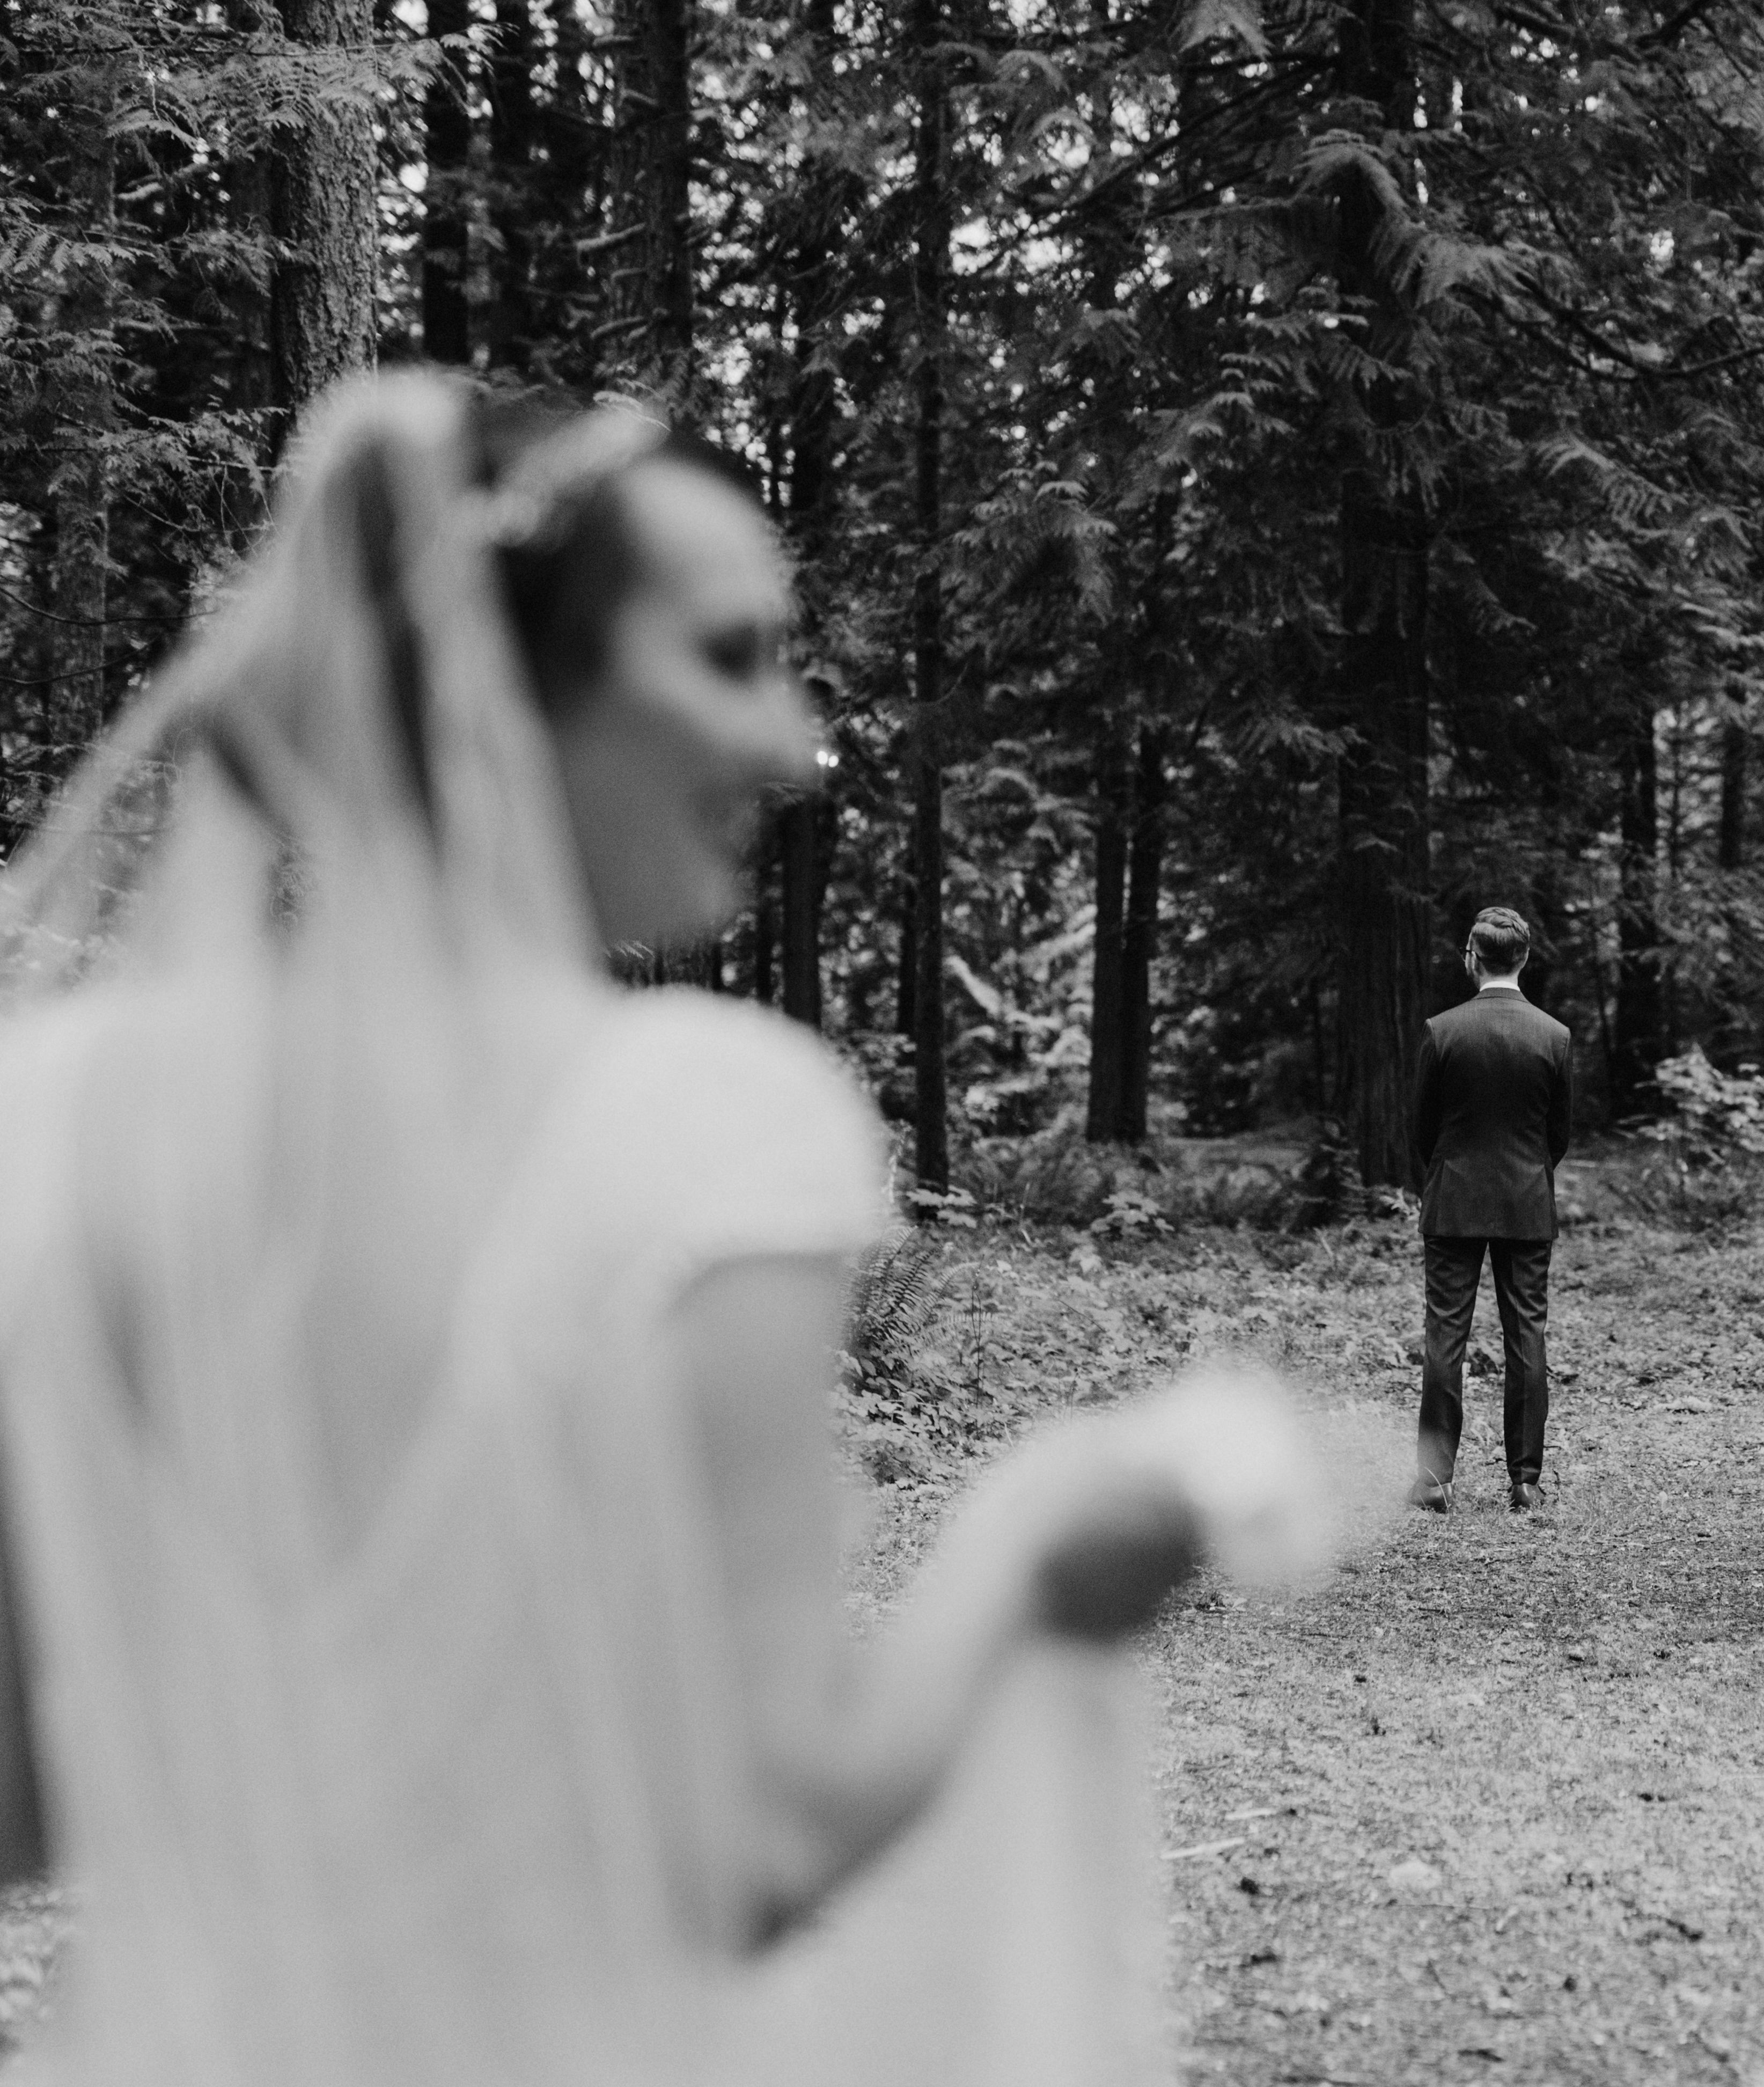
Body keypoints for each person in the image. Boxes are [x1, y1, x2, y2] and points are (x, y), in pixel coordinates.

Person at [0, 374, 1324, 2085]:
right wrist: (1024, 1536)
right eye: (723, 658)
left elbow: (23, 1806)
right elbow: (753, 1850)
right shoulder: (706, 1121)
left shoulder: (72, 1104)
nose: (790, 744)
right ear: (509, 683)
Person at [1406, 906, 1575, 1515]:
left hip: (1452, 1199)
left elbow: (1421, 1129)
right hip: (1527, 1203)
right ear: (1524, 959)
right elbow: (1559, 1134)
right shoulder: (1553, 1036)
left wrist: (1447, 1171)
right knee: (1527, 1335)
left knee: (1443, 1338)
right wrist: (1529, 1175)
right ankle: (1524, 1480)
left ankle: (1433, 1479)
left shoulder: (1441, 1030)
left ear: (1471, 957)